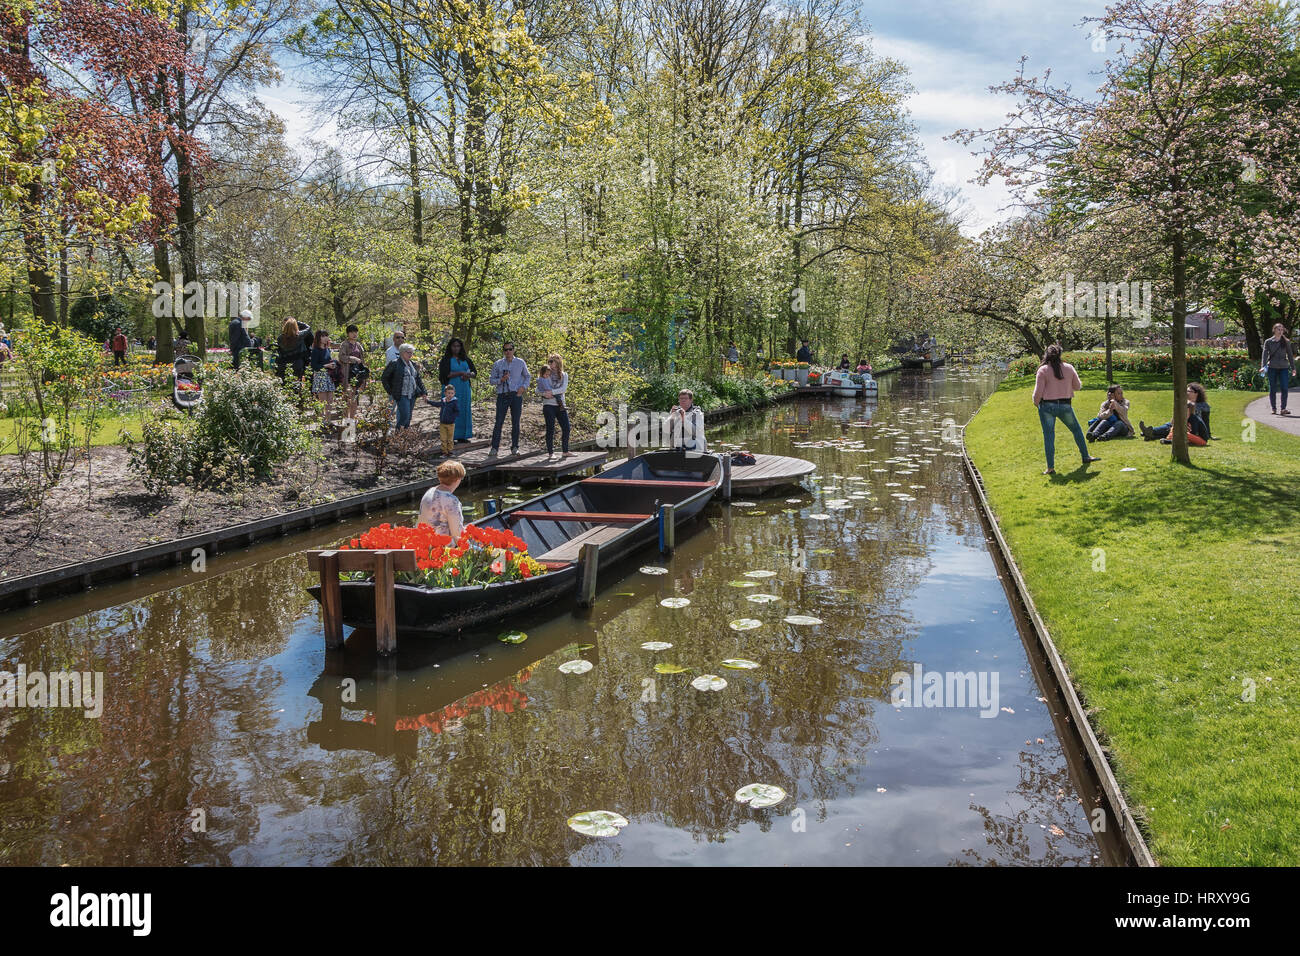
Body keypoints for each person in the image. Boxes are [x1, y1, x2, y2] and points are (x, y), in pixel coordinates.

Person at [1031, 344, 1099, 475]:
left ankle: (1050, 468)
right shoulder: (1069, 368)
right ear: (1060, 354)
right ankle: (1085, 456)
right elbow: (1078, 387)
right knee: (1076, 430)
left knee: (1049, 436)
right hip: (1065, 405)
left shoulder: (1043, 370)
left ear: (1047, 355)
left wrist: (1036, 404)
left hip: (1047, 407)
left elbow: (1037, 393)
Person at [488, 341, 529, 456]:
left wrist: (523, 387)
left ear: (513, 350)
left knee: (515, 422)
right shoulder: (498, 364)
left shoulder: (520, 362)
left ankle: (515, 447)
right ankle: (494, 448)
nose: (508, 352)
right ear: (503, 351)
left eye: (510, 349)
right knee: (499, 422)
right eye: (505, 350)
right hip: (502, 395)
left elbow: (527, 376)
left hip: (516, 395)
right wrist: (501, 379)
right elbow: (491, 380)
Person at [1140, 385, 1211, 443]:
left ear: (1196, 393)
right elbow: (1174, 419)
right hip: (1182, 422)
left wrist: (1208, 434)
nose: (1186, 392)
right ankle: (1151, 433)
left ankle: (1151, 432)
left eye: (1189, 391)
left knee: (1172, 428)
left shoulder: (1202, 405)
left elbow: (1205, 421)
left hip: (1191, 426)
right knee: (1170, 426)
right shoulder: (1184, 403)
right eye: (1186, 390)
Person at [437, 337, 477, 442]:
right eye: (454, 346)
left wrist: (469, 375)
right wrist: (460, 373)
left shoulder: (466, 359)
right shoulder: (445, 360)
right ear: (450, 347)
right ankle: (450, 438)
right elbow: (444, 375)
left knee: (463, 410)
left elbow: (474, 372)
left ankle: (463, 436)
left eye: (458, 346)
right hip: (450, 390)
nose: (456, 348)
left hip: (464, 390)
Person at [382, 342, 427, 430]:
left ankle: (405, 436)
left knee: (408, 416)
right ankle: (398, 434)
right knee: (405, 415)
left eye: (412, 352)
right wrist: (391, 391)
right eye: (408, 352)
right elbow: (384, 378)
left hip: (412, 394)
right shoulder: (394, 363)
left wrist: (424, 392)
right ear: (402, 352)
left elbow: (418, 379)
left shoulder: (413, 364)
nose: (411, 354)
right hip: (401, 394)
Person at [418, 459, 466, 538]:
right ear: (457, 480)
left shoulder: (429, 492)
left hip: (424, 541)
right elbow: (457, 533)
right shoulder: (452, 501)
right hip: (443, 545)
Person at [538, 353, 570, 458]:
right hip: (549, 405)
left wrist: (551, 392)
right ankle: (551, 453)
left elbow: (563, 389)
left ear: (558, 362)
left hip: (561, 405)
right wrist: (544, 394)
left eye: (552, 361)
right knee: (550, 429)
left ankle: (565, 451)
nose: (550, 363)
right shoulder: (546, 373)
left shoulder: (564, 375)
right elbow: (537, 389)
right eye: (549, 361)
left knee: (566, 428)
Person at [1260, 323, 1296, 416]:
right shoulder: (1268, 342)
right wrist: (1263, 367)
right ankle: (1274, 408)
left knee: (1284, 388)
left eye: (1282, 330)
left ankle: (1283, 408)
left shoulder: (1286, 341)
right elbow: (1264, 355)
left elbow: (1290, 355)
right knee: (1273, 388)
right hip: (1272, 367)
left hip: (1284, 368)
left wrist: (1293, 368)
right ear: (1274, 330)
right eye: (1278, 329)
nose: (1280, 331)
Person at [337, 324, 367, 420]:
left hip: (358, 373)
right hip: (348, 373)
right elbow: (341, 357)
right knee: (347, 397)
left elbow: (363, 360)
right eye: (352, 332)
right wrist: (352, 358)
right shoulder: (344, 344)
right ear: (348, 333)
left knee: (355, 396)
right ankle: (346, 420)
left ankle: (352, 419)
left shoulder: (358, 345)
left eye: (356, 332)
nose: (354, 334)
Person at [310, 329, 339, 427]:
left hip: (329, 376)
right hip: (321, 376)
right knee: (322, 400)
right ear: (318, 338)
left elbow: (329, 360)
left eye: (326, 335)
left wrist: (333, 364)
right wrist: (327, 366)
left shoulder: (327, 349)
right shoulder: (315, 350)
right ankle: (322, 422)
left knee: (330, 399)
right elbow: (314, 366)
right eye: (323, 336)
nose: (325, 338)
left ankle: (329, 420)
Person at [668, 388, 707, 454]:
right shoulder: (675, 411)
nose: (683, 400)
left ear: (691, 400)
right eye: (681, 398)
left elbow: (696, 432)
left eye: (685, 398)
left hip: (695, 446)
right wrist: (671, 417)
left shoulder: (697, 413)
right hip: (677, 446)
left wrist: (684, 419)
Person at [426, 384, 460, 457]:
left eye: (452, 393)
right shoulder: (443, 401)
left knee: (450, 439)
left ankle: (450, 452)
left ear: (454, 393)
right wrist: (428, 401)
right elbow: (437, 404)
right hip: (443, 424)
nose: (450, 395)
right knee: (443, 439)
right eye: (448, 393)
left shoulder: (454, 402)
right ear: (445, 393)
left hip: (451, 424)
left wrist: (452, 418)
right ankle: (444, 452)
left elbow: (457, 412)